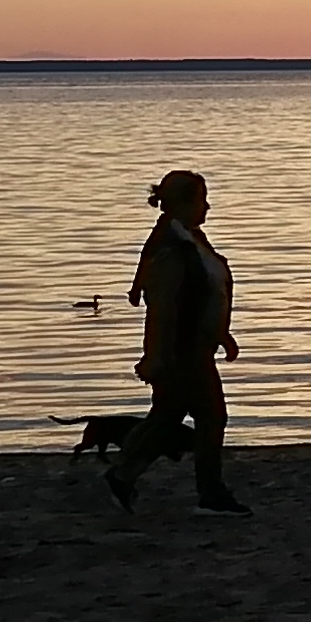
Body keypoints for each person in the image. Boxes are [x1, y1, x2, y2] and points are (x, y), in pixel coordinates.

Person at [109, 169, 249, 516]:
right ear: (183, 203)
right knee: (210, 417)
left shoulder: (190, 238)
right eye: (202, 200)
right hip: (182, 350)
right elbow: (164, 306)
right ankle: (210, 492)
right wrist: (156, 356)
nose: (207, 207)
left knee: (168, 417)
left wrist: (221, 333)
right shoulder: (171, 247)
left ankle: (123, 475)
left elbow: (210, 292)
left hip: (195, 345)